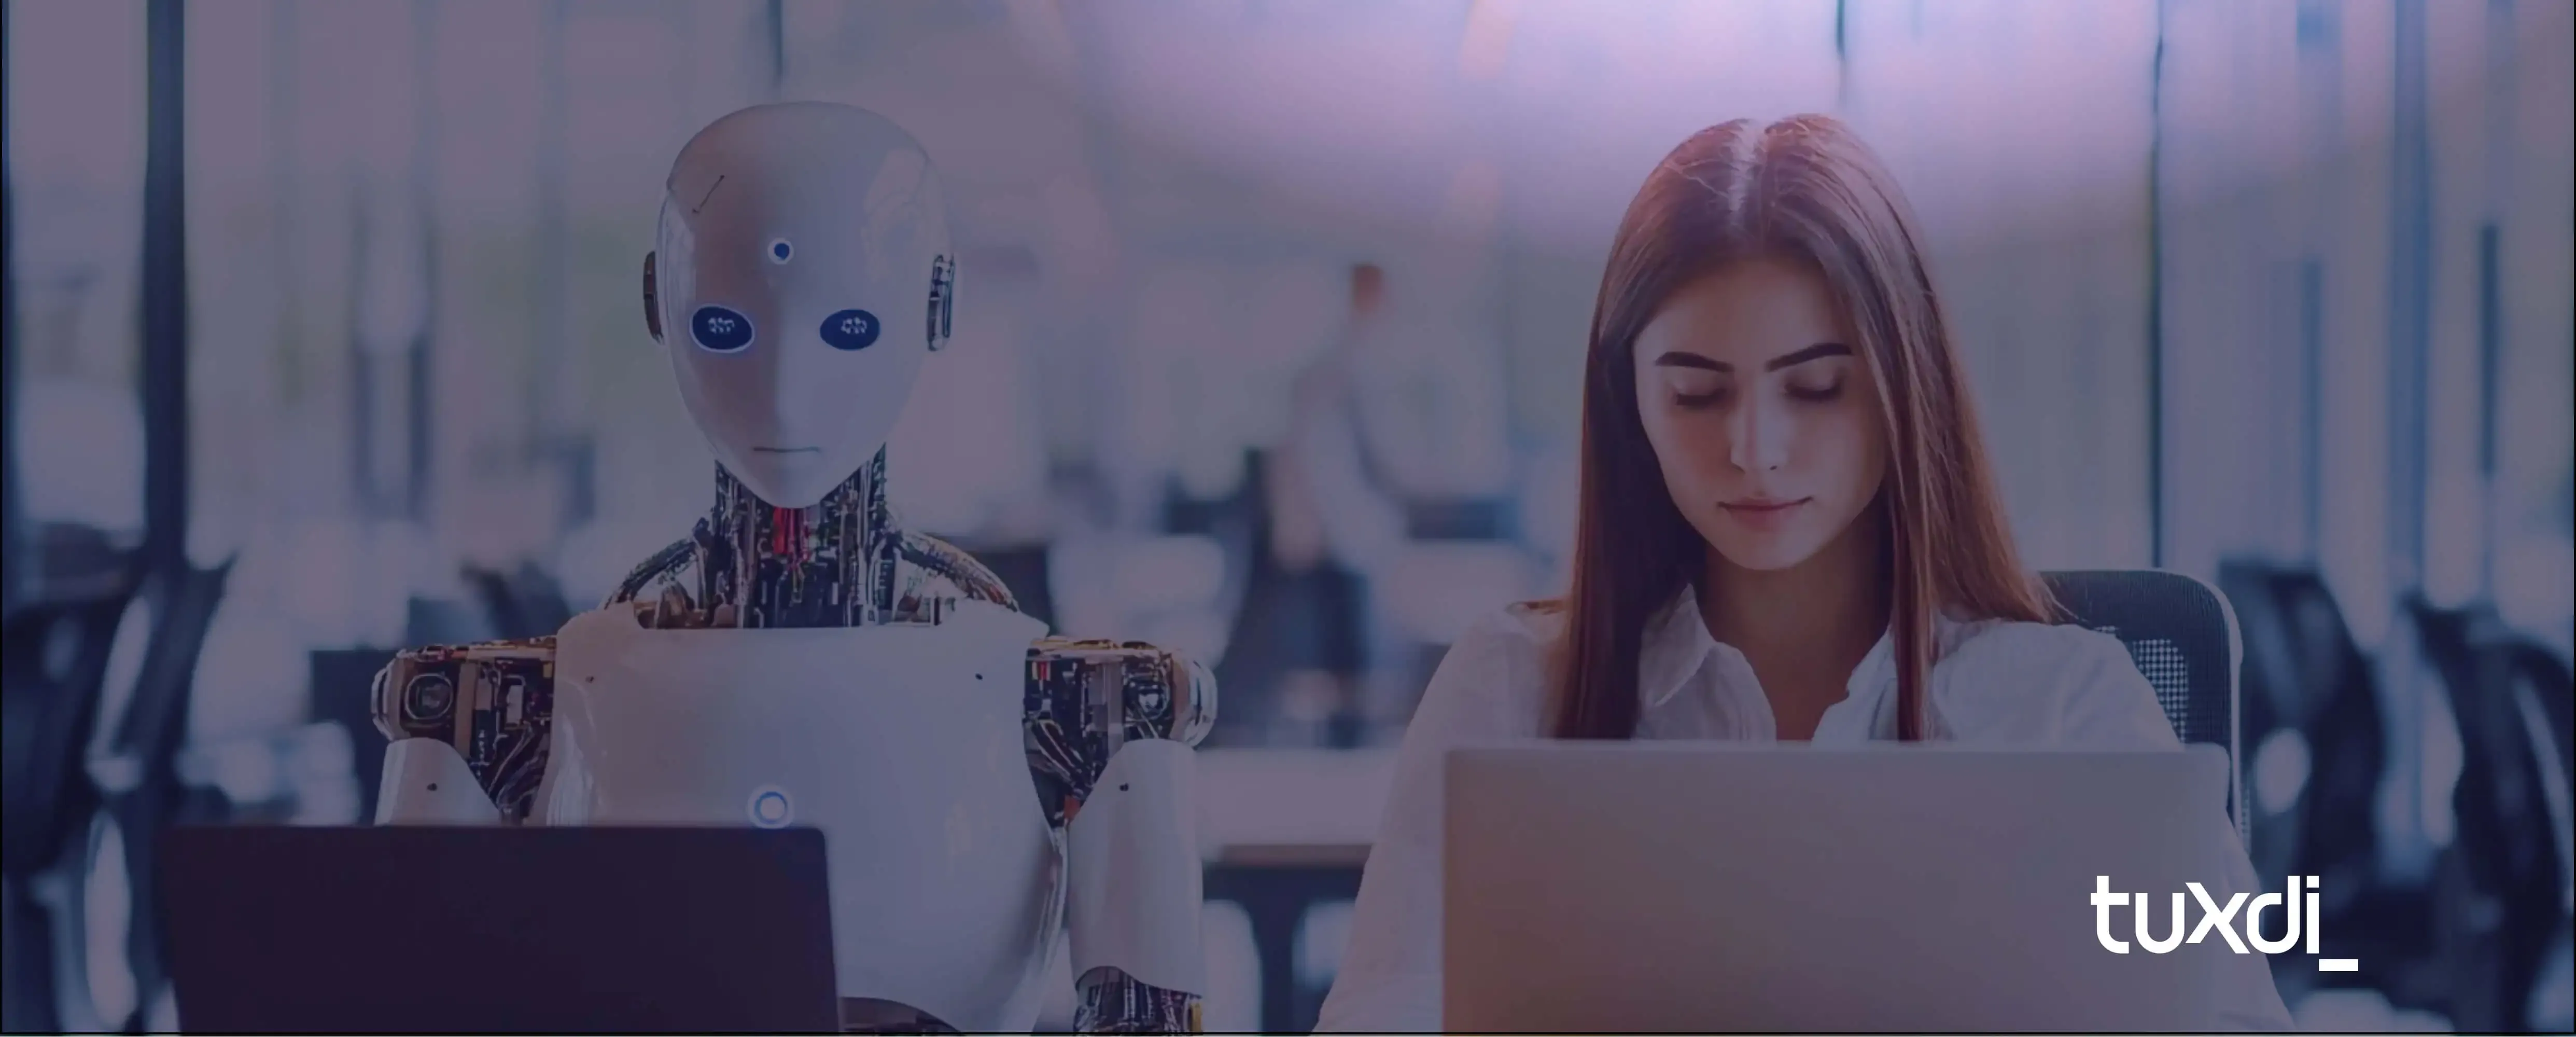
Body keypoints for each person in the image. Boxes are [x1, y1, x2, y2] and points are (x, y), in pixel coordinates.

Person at [1312, 115, 2294, 1031]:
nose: (1755, 449)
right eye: (1696, 395)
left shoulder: (2070, 708)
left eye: (1818, 387)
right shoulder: (1516, 687)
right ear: (1630, 402)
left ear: (1907, 387)